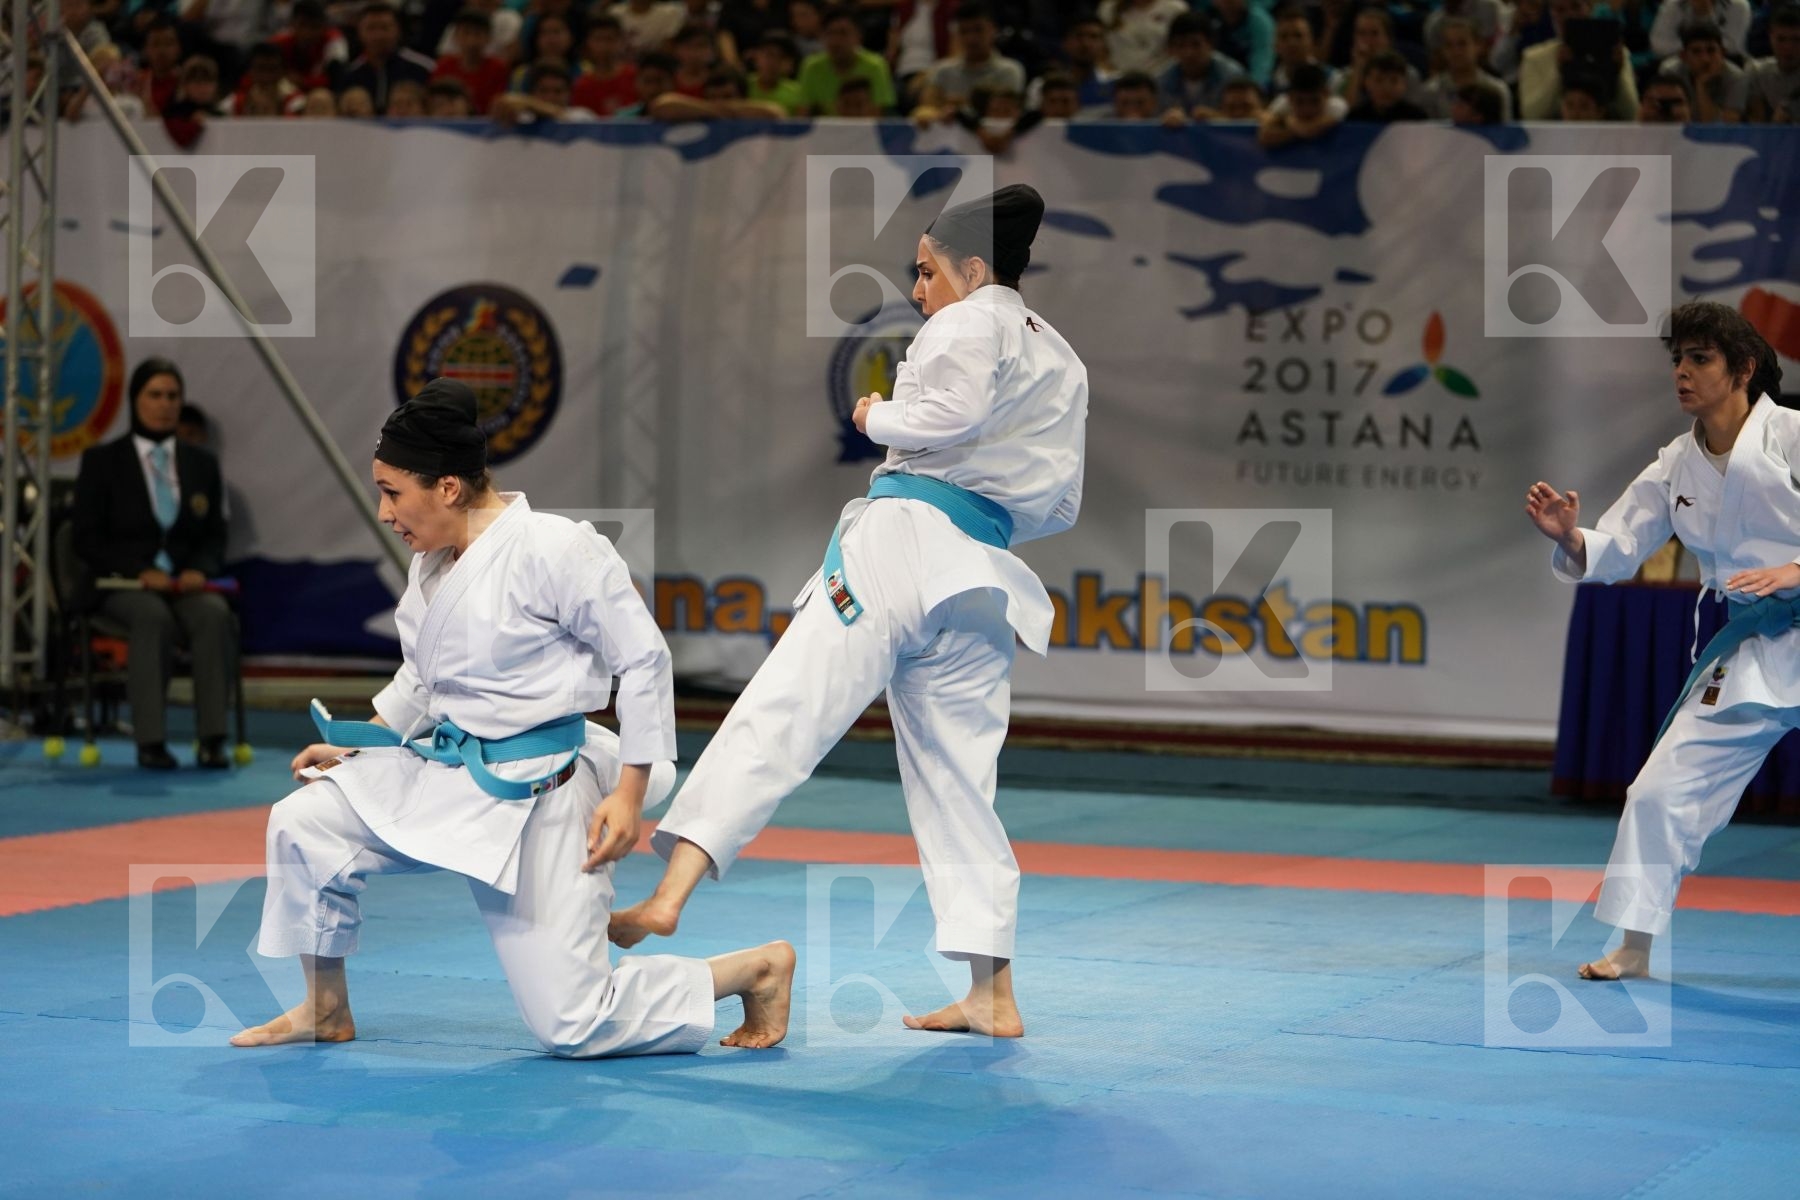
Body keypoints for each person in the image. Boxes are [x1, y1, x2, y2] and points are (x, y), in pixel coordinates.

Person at [610, 186, 1088, 1039]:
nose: (918, 289)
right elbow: (1061, 507)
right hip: (986, 576)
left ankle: (670, 895)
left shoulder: (971, 318)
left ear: (973, 268)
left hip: (906, 539)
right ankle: (992, 991)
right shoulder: (1063, 358)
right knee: (960, 786)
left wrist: (877, 416)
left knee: (787, 703)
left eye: (926, 270)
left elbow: (951, 413)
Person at [230, 380, 795, 1054]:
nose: (384, 512)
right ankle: (324, 1008)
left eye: (392, 492)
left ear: (446, 487)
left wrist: (630, 792)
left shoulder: (555, 549)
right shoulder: (433, 561)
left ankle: (750, 971)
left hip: (540, 788)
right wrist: (369, 743)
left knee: (573, 1024)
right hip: (446, 770)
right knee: (304, 822)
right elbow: (424, 675)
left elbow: (643, 659)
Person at [1526, 301, 1787, 981]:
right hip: (1750, 649)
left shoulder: (1790, 435)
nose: (1682, 372)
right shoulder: (1675, 464)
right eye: (1678, 359)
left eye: (1700, 359)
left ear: (1743, 369)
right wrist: (1571, 538)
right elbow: (1618, 547)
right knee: (1657, 793)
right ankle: (1634, 947)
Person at [72, 358, 233, 771]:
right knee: (152, 618)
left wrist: (200, 567)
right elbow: (85, 538)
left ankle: (212, 738)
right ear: (135, 400)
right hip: (120, 586)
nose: (164, 405)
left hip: (182, 585)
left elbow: (215, 534)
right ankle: (150, 741)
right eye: (154, 395)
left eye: (172, 396)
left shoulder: (202, 464)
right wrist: (136, 570)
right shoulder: (102, 461)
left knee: (214, 615)